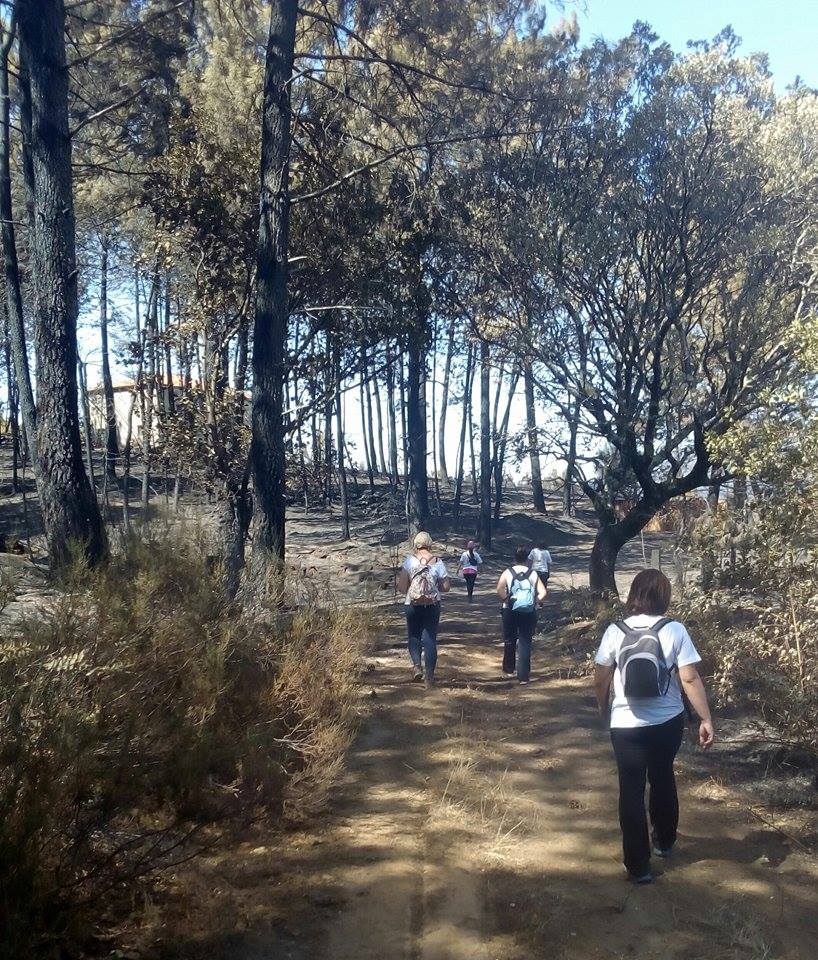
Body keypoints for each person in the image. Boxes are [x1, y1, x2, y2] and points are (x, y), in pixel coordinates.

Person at [593, 569, 715, 885]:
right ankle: (664, 842)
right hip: (667, 722)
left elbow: (601, 675)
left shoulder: (615, 631)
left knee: (631, 790)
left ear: (633, 594)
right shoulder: (674, 630)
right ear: (664, 597)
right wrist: (705, 718)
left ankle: (638, 866)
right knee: (662, 776)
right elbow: (688, 677)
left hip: (625, 725)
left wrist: (604, 708)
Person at [397, 532, 451, 688]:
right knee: (430, 640)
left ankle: (416, 667)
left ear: (416, 544)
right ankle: (429, 678)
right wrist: (436, 586)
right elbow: (446, 587)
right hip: (432, 605)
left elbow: (401, 588)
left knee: (413, 636)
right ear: (430, 544)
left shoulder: (409, 561)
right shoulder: (438, 562)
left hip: (412, 604)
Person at [496, 546, 547, 683]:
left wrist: (506, 599)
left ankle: (508, 669)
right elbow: (543, 593)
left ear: (514, 558)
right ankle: (523, 675)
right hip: (529, 611)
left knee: (509, 639)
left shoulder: (508, 572)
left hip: (509, 610)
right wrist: (535, 602)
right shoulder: (533, 574)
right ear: (527, 559)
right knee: (525, 642)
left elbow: (499, 589)